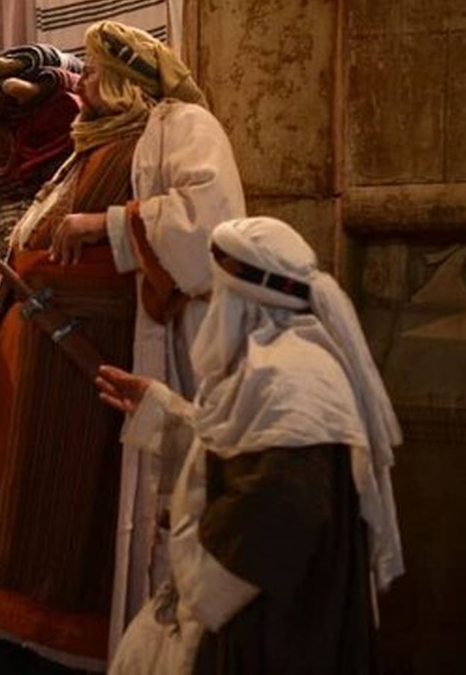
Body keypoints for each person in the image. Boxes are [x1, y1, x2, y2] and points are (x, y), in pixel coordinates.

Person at [0, 21, 244, 671]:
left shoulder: (180, 126)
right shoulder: (89, 144)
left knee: (67, 495)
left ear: (127, 78)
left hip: (93, 351)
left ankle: (55, 630)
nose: (80, 80)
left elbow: (208, 226)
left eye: (93, 68)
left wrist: (106, 224)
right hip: (31, 345)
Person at [96, 216, 403, 674]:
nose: (210, 305)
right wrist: (161, 410)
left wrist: (200, 562)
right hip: (257, 609)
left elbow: (282, 503)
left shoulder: (295, 378)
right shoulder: (275, 366)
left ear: (241, 298)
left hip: (271, 623)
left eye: (217, 293)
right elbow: (240, 451)